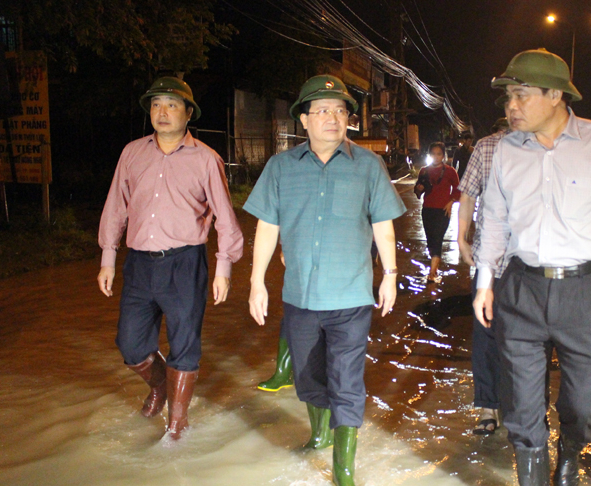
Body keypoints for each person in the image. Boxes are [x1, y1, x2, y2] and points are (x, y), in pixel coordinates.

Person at [473, 49, 591, 485]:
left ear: (555, 95)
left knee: (586, 402)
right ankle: (532, 471)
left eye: (521, 95)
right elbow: (492, 220)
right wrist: (484, 283)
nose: (511, 106)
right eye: (508, 97)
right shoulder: (504, 151)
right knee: (519, 402)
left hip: (585, 292)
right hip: (521, 288)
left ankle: (570, 453)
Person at [244, 74, 406, 486]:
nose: (332, 118)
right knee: (308, 377)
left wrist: (389, 275)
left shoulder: (368, 165)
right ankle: (318, 433)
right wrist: (256, 282)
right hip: (299, 297)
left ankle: (344, 469)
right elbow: (267, 228)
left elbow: (384, 226)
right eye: (322, 110)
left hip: (351, 298)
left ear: (348, 120)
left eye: (340, 111)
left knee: (346, 380)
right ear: (303, 119)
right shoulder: (281, 167)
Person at [97, 76, 243, 441]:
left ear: (188, 113)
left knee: (184, 343)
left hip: (185, 263)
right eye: (156, 104)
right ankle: (160, 387)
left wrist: (223, 268)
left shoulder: (207, 159)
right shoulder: (132, 153)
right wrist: (108, 258)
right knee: (129, 343)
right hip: (139, 263)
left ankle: (177, 426)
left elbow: (225, 216)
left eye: (172, 104)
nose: (162, 112)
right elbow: (117, 206)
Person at [457, 107, 510, 435]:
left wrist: (463, 239)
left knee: (499, 337)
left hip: (528, 263)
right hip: (494, 261)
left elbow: (466, 197)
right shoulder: (487, 147)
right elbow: (468, 194)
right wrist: (462, 240)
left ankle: (496, 409)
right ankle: (496, 407)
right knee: (491, 335)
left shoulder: (551, 146)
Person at [415, 142, 460, 281]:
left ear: (443, 155)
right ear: (429, 155)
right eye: (433, 154)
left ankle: (432, 272)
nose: (436, 156)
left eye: (439, 154)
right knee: (430, 241)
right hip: (427, 210)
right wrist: (420, 188)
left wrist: (451, 201)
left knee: (438, 239)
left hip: (443, 211)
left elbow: (459, 189)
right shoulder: (424, 170)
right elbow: (417, 191)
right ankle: (434, 266)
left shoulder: (450, 171)